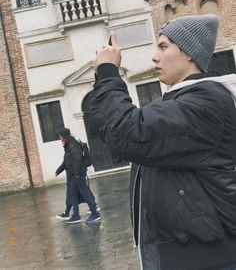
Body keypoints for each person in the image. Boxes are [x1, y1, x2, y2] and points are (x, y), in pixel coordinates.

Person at [91, 15, 236, 270]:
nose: (154, 57)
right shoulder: (184, 101)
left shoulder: (204, 104)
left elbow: (126, 133)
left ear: (189, 52)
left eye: (164, 46)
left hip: (205, 258)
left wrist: (107, 73)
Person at [56, 128, 101, 224]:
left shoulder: (73, 145)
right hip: (74, 175)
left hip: (78, 174)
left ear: (65, 137)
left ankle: (95, 213)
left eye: (61, 138)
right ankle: (76, 216)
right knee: (72, 193)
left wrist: (76, 174)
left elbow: (78, 159)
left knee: (85, 193)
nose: (61, 140)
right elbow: (67, 161)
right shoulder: (69, 145)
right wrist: (58, 171)